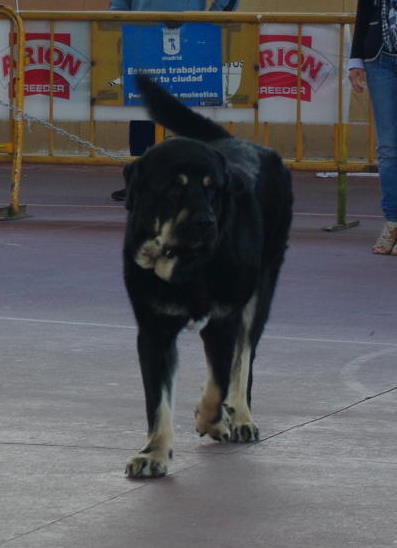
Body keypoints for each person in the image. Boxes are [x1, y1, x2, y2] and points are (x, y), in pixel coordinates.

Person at [109, 0, 240, 201]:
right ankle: (142, 182)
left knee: (190, 113)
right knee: (142, 111)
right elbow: (118, 4)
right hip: (143, 38)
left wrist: (209, 19)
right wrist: (124, 22)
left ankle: (196, 184)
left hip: (190, 39)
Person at [348, 0, 397, 255]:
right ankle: (393, 222)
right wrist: (355, 59)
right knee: (388, 147)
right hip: (379, 59)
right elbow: (364, 11)